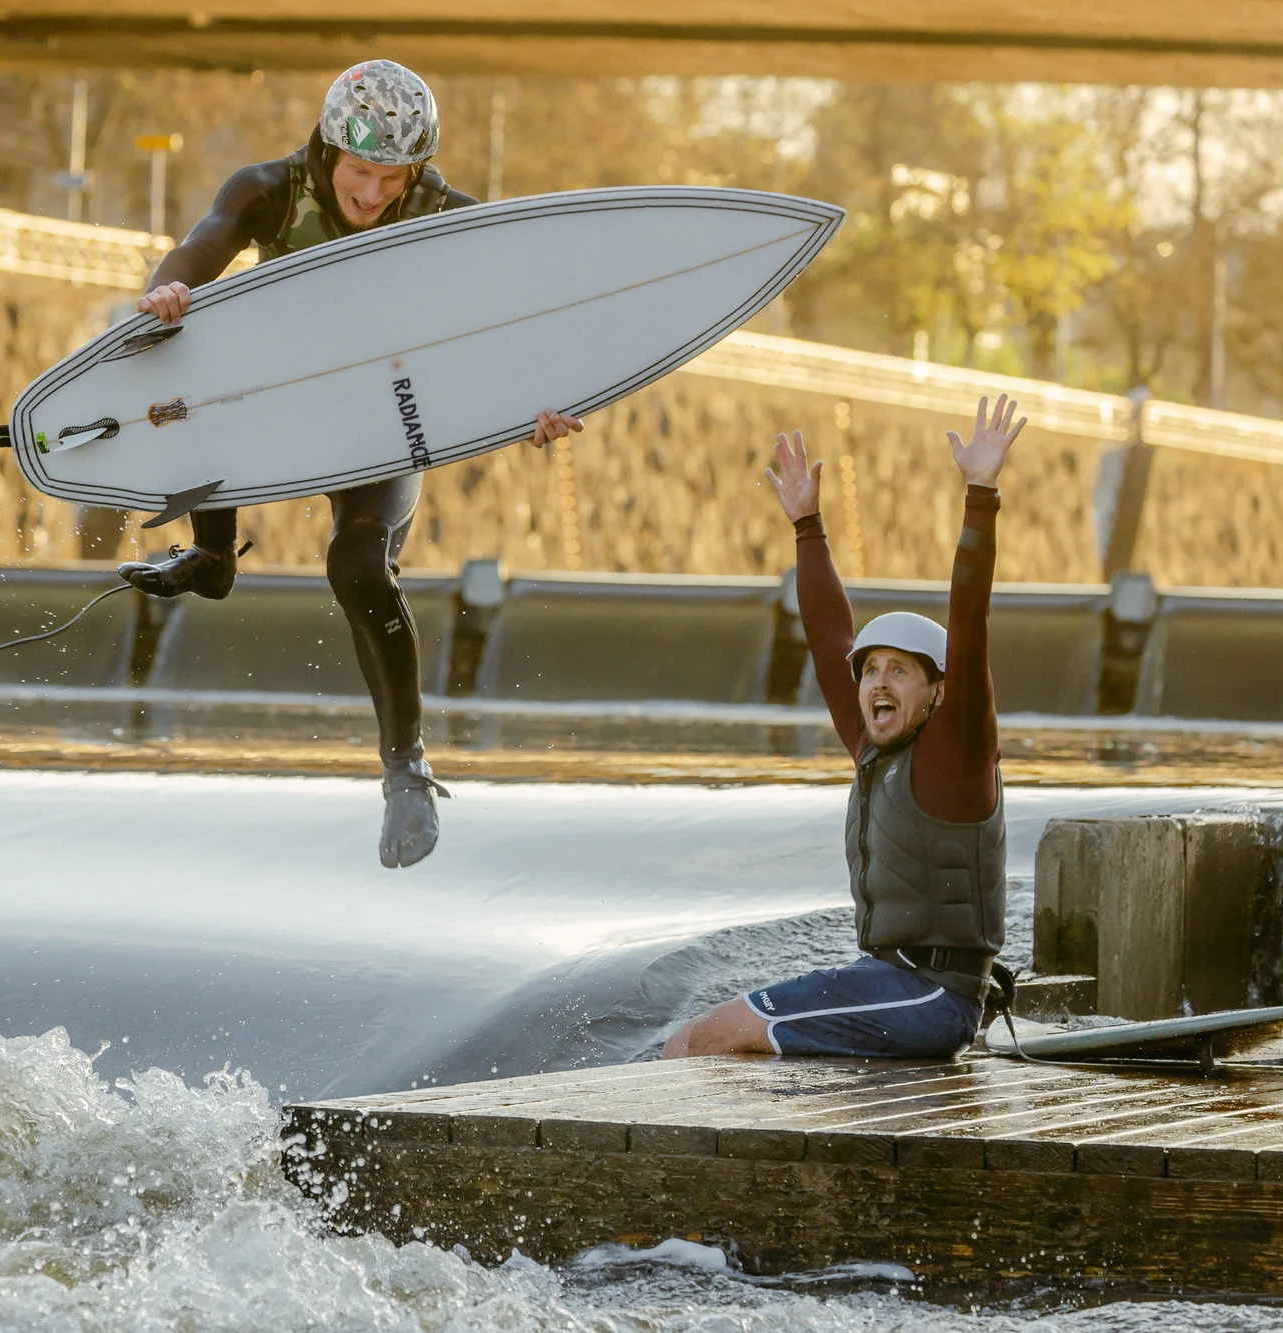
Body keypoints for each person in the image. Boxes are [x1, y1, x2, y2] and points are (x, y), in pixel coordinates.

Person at [117, 60, 583, 869]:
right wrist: (167, 294)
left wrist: (541, 403)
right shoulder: (269, 188)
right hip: (286, 393)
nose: (372, 196)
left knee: (359, 565)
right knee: (192, 373)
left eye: (391, 178)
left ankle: (406, 767)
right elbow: (202, 248)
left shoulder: (443, 215)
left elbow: (519, 320)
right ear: (331, 148)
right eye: (360, 174)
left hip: (382, 411)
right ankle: (216, 553)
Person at [662, 394, 1027, 1059]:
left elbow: (969, 620)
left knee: (713, 1037)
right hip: (889, 983)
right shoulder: (872, 746)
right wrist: (807, 524)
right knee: (685, 1039)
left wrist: (981, 491)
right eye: (871, 671)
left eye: (900, 671)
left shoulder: (957, 756)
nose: (878, 683)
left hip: (933, 998)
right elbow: (831, 635)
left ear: (938, 691)